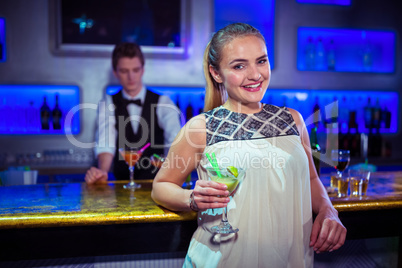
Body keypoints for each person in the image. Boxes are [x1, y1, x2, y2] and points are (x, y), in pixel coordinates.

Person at [151, 23, 346, 267]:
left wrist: (329, 211)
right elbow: (161, 186)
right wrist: (191, 198)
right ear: (216, 73)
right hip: (223, 259)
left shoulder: (293, 120)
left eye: (261, 61)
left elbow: (310, 180)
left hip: (291, 258)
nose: (255, 74)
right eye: (239, 66)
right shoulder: (200, 128)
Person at [85, 42, 181, 184]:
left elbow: (174, 139)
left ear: (142, 70)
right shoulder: (108, 103)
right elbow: (106, 141)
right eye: (124, 71)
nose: (131, 77)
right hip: (121, 187)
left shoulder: (163, 102)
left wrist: (171, 170)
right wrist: (103, 171)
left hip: (158, 185)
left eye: (135, 70)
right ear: (115, 72)